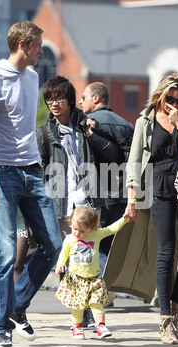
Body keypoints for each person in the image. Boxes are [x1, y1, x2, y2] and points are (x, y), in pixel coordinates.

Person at [0, 21, 62, 347]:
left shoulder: (33, 77)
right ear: (25, 44)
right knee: (7, 253)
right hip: (2, 172)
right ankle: (1, 330)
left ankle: (16, 307)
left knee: (53, 244)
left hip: (32, 172)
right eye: (39, 45)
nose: (42, 51)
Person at [108, 73, 178, 345]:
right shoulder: (145, 120)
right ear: (161, 95)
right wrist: (131, 200)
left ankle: (176, 305)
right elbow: (133, 162)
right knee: (166, 252)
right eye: (170, 99)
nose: (174, 104)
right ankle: (165, 319)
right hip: (158, 189)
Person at [36, 75, 119, 328]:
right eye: (49, 99)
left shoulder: (86, 125)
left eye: (59, 98)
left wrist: (93, 135)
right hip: (61, 204)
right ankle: (80, 314)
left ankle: (92, 313)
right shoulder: (44, 133)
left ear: (70, 100)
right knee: (69, 260)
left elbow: (112, 154)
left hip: (88, 201)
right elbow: (39, 169)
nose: (54, 104)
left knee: (92, 261)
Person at [79, 82, 134, 276]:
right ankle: (108, 291)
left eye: (83, 97)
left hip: (100, 193)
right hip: (125, 194)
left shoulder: (88, 122)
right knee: (111, 247)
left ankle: (99, 293)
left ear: (96, 98)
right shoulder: (127, 125)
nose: (80, 101)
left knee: (94, 244)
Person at [55, 206, 128, 339]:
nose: (77, 233)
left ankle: (100, 325)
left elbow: (112, 229)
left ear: (93, 228)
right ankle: (77, 327)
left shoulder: (96, 234)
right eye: (74, 228)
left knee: (97, 303)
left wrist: (124, 219)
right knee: (77, 306)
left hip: (93, 279)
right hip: (76, 279)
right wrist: (60, 264)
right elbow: (63, 253)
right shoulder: (70, 239)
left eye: (82, 231)